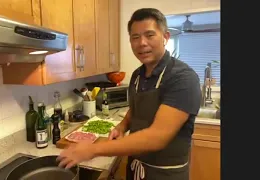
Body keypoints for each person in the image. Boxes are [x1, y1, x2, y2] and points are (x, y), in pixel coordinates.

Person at [57, 8, 202, 180]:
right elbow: (135, 109)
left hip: (165, 174)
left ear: (166, 37)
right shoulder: (137, 75)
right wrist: (122, 127)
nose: (142, 43)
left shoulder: (183, 78)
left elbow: (157, 137)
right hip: (135, 167)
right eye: (135, 37)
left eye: (149, 35)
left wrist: (92, 150)